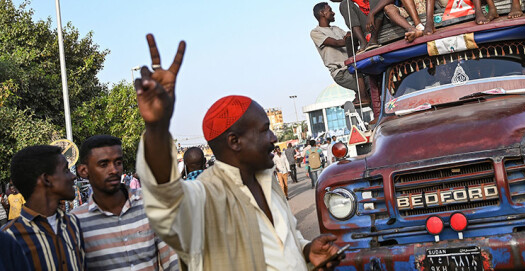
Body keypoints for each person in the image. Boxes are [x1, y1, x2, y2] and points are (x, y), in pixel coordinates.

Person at [133, 34, 342, 270]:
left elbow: (286, 238)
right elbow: (165, 197)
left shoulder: (266, 180)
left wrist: (306, 250)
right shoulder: (206, 195)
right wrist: (157, 127)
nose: (274, 138)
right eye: (264, 130)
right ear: (234, 141)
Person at [72, 134, 179, 270]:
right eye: (104, 164)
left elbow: (173, 261)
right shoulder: (76, 222)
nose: (114, 170)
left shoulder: (151, 204)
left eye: (118, 162)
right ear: (84, 171)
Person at [2, 145, 86, 270]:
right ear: (47, 179)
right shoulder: (9, 236)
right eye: (66, 170)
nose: (73, 176)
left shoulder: (72, 223)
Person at [311, 2, 368, 106]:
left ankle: (361, 98)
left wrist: (350, 37)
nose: (333, 13)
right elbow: (337, 43)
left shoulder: (336, 29)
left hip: (353, 68)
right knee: (369, 85)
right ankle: (362, 97)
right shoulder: (316, 32)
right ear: (322, 13)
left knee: (369, 89)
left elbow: (351, 41)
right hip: (341, 72)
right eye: (330, 10)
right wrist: (349, 38)